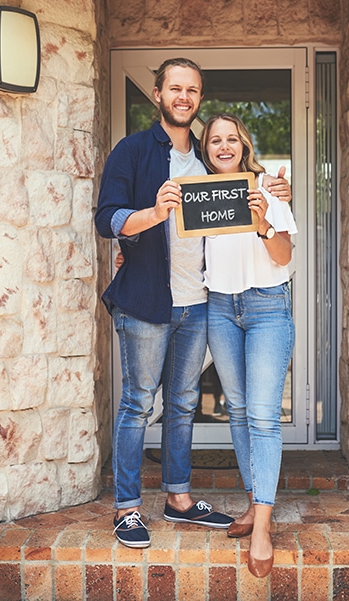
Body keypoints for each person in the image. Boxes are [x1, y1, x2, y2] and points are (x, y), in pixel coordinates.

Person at [94, 58, 290, 549]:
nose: (184, 97)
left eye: (193, 90)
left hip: (200, 303)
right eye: (175, 88)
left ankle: (178, 499)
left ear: (199, 98)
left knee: (181, 405)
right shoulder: (133, 151)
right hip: (145, 299)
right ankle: (127, 507)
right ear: (158, 93)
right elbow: (106, 218)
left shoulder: (210, 166)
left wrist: (271, 186)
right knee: (139, 403)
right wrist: (150, 214)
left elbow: (250, 210)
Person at [200, 113, 297, 578]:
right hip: (219, 307)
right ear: (207, 149)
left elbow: (284, 256)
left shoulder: (268, 189)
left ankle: (262, 526)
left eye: (231, 139)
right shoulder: (197, 194)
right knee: (237, 411)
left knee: (261, 415)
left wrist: (263, 224)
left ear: (244, 144)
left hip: (266, 307)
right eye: (215, 140)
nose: (223, 146)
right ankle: (253, 505)